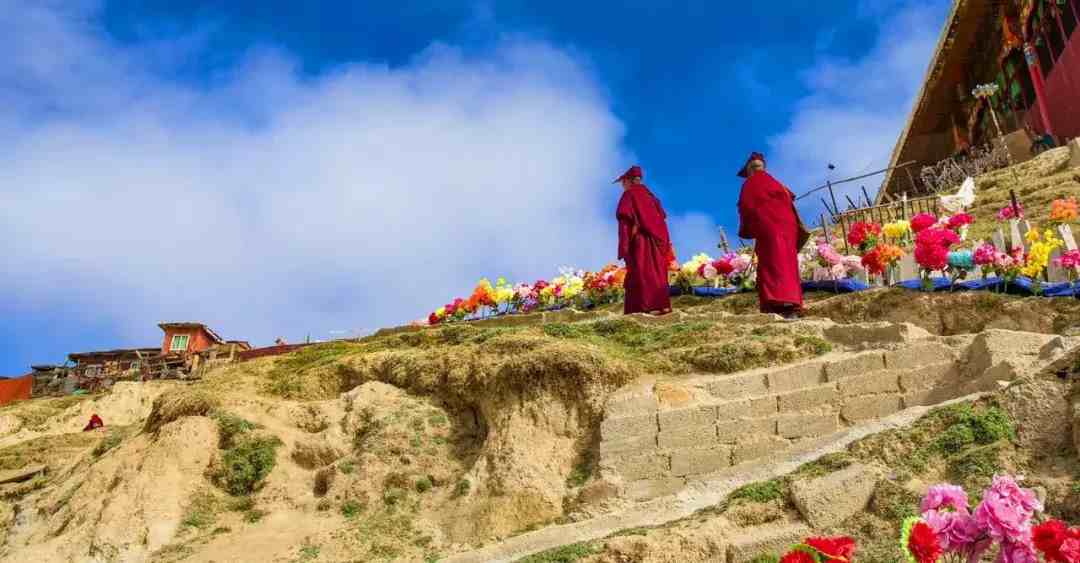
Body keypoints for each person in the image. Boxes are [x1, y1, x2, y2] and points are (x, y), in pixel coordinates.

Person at [736, 152, 809, 320]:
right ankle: (792, 303)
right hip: (788, 229)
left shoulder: (751, 182)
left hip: (769, 228)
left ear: (750, 170)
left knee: (772, 262)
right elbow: (790, 201)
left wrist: (750, 229)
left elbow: (746, 207)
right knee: (787, 262)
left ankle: (778, 303)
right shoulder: (778, 184)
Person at [615, 165, 677, 315]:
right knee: (657, 272)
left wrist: (624, 246)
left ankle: (643, 308)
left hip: (640, 242)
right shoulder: (652, 197)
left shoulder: (629, 195)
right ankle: (662, 305)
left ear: (629, 181)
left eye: (623, 182)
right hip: (658, 242)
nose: (622, 186)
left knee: (642, 273)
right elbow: (662, 219)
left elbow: (625, 222)